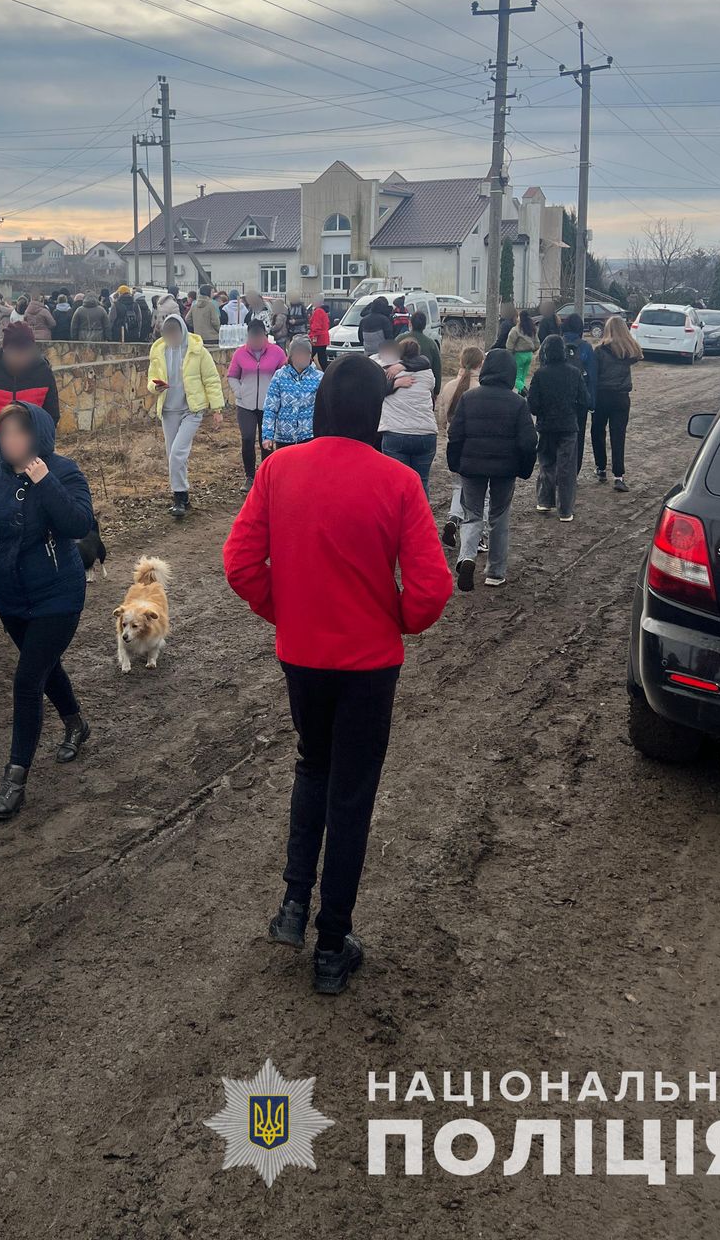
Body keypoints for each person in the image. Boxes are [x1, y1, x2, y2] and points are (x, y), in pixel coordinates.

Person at [223, 355, 452, 995]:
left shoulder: (276, 470)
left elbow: (240, 565)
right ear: (375, 412)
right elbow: (432, 589)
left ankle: (294, 905)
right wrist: (396, 620)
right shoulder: (399, 482)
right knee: (351, 794)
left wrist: (286, 611)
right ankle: (332, 945)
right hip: (370, 664)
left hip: (303, 655)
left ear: (321, 404)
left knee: (311, 765)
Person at [0, 402, 95, 819]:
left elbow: (79, 525)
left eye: (20, 433)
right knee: (45, 667)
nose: (11, 442)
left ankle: (14, 780)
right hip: (11, 597)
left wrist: (44, 480)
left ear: (38, 436)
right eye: (5, 434)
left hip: (59, 595)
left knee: (28, 679)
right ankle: (76, 723)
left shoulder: (63, 471)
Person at [445, 348, 537, 592]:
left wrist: (455, 463)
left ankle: (467, 558)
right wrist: (524, 469)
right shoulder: (518, 403)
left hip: (471, 468)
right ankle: (495, 572)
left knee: (472, 514)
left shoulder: (469, 398)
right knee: (499, 517)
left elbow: (455, 435)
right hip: (505, 470)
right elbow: (529, 441)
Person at [147, 311, 225, 516]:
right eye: (167, 334)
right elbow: (151, 379)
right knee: (173, 455)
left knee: (177, 453)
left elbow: (211, 379)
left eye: (174, 333)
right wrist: (156, 388)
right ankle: (182, 495)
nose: (171, 338)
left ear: (182, 331)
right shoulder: (159, 351)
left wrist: (217, 409)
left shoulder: (197, 351)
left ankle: (179, 497)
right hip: (168, 410)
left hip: (192, 409)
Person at [527, 335, 588, 522]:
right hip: (568, 426)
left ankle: (545, 501)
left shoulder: (539, 374)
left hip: (546, 426)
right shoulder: (574, 372)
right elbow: (585, 400)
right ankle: (565, 510)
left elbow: (533, 405)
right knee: (567, 468)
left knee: (546, 463)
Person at [227, 319, 287, 489]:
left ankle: (267, 476)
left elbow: (283, 374)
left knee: (266, 441)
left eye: (258, 338)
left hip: (269, 405)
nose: (255, 342)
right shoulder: (240, 353)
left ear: (264, 336)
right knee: (247, 439)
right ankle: (250, 477)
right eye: (252, 338)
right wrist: (240, 392)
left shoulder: (277, 352)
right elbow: (232, 376)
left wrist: (279, 396)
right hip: (245, 405)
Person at [0, 322, 60, 431]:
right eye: (15, 352)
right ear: (4, 349)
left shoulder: (43, 372)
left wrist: (35, 440)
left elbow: (51, 416)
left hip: (31, 445)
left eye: (26, 352)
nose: (21, 358)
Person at [436, 344, 484, 548]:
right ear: (481, 364)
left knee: (459, 486)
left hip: (454, 445)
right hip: (477, 447)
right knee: (482, 494)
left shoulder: (449, 387)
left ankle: (453, 518)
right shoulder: (481, 388)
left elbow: (441, 420)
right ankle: (479, 537)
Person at [375, 336, 438, 491]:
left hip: (395, 433)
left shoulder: (386, 370)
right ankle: (422, 514)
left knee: (397, 483)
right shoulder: (428, 374)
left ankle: (398, 515)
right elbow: (424, 361)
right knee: (421, 482)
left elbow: (375, 391)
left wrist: (397, 375)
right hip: (426, 434)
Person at [592, 315, 642, 491]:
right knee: (618, 435)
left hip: (602, 396)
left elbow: (594, 374)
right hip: (621, 397)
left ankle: (600, 468)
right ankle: (619, 475)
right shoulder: (630, 350)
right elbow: (637, 357)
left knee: (598, 431)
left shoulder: (599, 351)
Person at [261, 336, 323, 450]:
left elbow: (324, 409)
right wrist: (267, 435)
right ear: (291, 356)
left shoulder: (319, 378)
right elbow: (270, 407)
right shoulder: (279, 376)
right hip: (284, 438)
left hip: (309, 437)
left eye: (306, 353)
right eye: (299, 353)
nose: (302, 357)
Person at [560, 312, 598, 472]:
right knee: (578, 436)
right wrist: (592, 402)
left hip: (559, 400)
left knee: (558, 435)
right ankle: (574, 470)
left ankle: (558, 469)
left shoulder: (555, 343)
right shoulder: (586, 347)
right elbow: (593, 377)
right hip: (579, 400)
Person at [408, 309, 442, 392]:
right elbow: (437, 369)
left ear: (410, 323)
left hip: (403, 386)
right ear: (424, 325)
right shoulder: (431, 344)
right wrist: (436, 390)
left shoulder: (399, 340)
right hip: (425, 388)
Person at [506, 310, 539, 392]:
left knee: (516, 378)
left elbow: (510, 343)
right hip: (529, 355)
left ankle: (524, 391)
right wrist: (533, 350)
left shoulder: (516, 330)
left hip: (519, 355)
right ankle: (521, 393)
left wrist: (509, 353)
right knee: (523, 377)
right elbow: (537, 342)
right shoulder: (532, 329)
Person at [309, 301, 331, 369]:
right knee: (322, 357)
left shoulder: (318, 312)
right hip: (323, 338)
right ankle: (326, 371)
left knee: (309, 355)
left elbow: (316, 326)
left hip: (318, 339)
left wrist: (314, 338)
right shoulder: (324, 314)